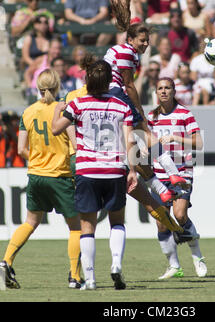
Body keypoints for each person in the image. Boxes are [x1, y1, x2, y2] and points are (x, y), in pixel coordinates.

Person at [63, 54, 196, 244]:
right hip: (116, 165)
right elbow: (129, 136)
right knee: (146, 204)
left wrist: (76, 147)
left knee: (85, 226)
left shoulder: (74, 98)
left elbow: (61, 124)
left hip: (88, 165)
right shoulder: (115, 98)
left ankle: (78, 271)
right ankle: (173, 219)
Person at [51, 57, 139, 291]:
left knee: (87, 227)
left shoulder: (77, 104)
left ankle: (89, 279)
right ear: (110, 80)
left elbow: (56, 129)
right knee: (117, 222)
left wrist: (58, 110)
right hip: (114, 170)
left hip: (87, 170)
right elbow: (129, 140)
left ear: (87, 80)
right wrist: (132, 170)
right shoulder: (123, 106)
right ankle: (116, 264)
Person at [0, 69, 81, 289]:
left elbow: (21, 149)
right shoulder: (63, 110)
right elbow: (74, 146)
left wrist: (39, 158)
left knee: (30, 222)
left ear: (38, 87)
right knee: (76, 227)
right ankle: (75, 276)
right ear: (57, 87)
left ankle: (6, 260)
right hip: (60, 175)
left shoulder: (27, 112)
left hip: (36, 174)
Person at [104, 2, 191, 201]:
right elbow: (129, 86)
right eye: (142, 40)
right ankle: (173, 172)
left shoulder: (124, 50)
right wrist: (140, 111)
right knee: (145, 130)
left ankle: (162, 190)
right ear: (131, 39)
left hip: (107, 99)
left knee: (133, 148)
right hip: (114, 95)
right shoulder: (126, 52)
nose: (145, 44)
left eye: (147, 41)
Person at [148, 77, 207, 279]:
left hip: (181, 172)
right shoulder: (151, 117)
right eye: (160, 88)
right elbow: (145, 143)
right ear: (156, 92)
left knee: (180, 215)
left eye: (167, 88)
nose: (163, 91)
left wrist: (176, 138)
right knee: (161, 221)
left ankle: (197, 257)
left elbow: (198, 143)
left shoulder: (184, 114)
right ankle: (174, 266)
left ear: (174, 91)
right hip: (158, 174)